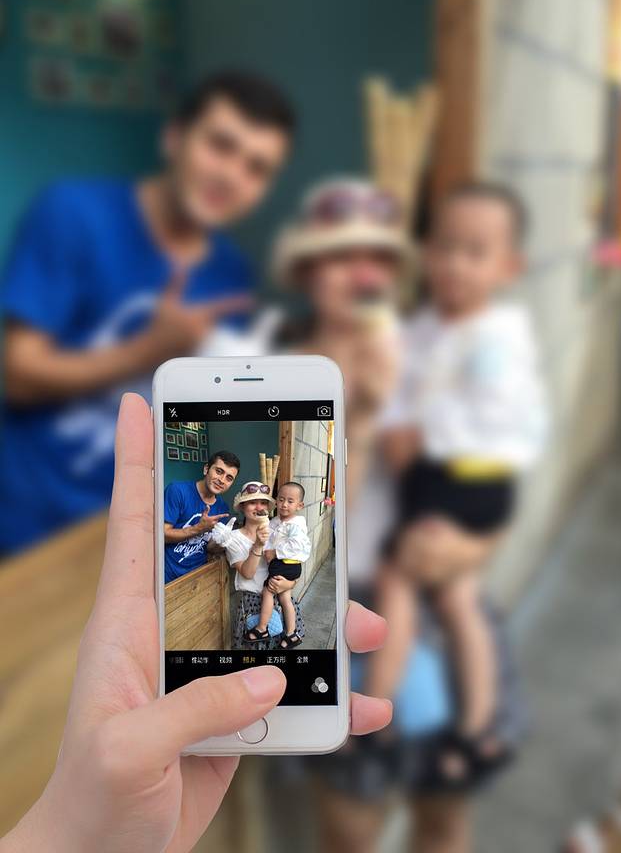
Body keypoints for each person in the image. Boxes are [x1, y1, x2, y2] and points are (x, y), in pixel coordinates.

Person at [0, 393, 391, 853]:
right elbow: (241, 566)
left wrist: (271, 553)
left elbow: (273, 556)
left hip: (258, 588)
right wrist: (238, 542)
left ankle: (281, 719)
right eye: (249, 499)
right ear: (211, 472)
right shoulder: (222, 522)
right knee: (251, 664)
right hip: (211, 593)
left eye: (260, 500)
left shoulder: (263, 524)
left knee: (283, 653)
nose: (256, 506)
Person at [0, 70, 296, 551]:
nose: (231, 176)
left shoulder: (231, 273)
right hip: (32, 523)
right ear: (175, 137)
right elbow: (18, 375)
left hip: (140, 526)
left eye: (256, 168)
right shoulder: (72, 214)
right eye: (221, 145)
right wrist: (148, 349)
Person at [368, 181, 546, 785]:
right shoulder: (426, 325)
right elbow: (402, 388)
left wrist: (417, 432)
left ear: (508, 267)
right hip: (446, 476)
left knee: (399, 578)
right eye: (443, 246)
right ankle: (476, 730)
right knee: (457, 598)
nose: (453, 264)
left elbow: (492, 412)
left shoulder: (496, 335)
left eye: (475, 252)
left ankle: (375, 718)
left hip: (466, 478)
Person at [246, 481, 311, 649]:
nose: (284, 504)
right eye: (281, 499)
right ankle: (291, 634)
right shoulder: (276, 520)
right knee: (285, 598)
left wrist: (275, 553)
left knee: (268, 591)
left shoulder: (296, 524)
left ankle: (262, 628)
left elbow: (298, 546)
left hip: (286, 563)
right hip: (284, 564)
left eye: (290, 501)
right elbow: (269, 538)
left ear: (300, 505)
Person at [164, 449, 240, 583]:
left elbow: (209, 547)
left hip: (198, 579)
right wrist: (199, 528)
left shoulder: (222, 508)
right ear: (206, 469)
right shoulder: (178, 491)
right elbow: (162, 535)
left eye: (229, 478)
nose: (222, 480)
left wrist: (222, 542)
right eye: (219, 471)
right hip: (167, 577)